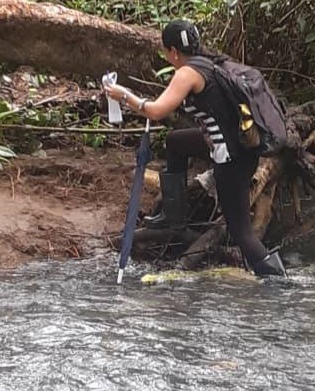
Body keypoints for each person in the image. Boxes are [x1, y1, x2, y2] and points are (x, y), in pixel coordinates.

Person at [103, 19, 286, 276]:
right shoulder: (207, 64)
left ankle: (279, 284)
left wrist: (124, 96)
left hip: (231, 160)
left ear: (173, 51)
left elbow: (157, 111)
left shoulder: (187, 73)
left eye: (166, 52)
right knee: (176, 142)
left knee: (241, 231)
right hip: (238, 149)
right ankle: (172, 214)